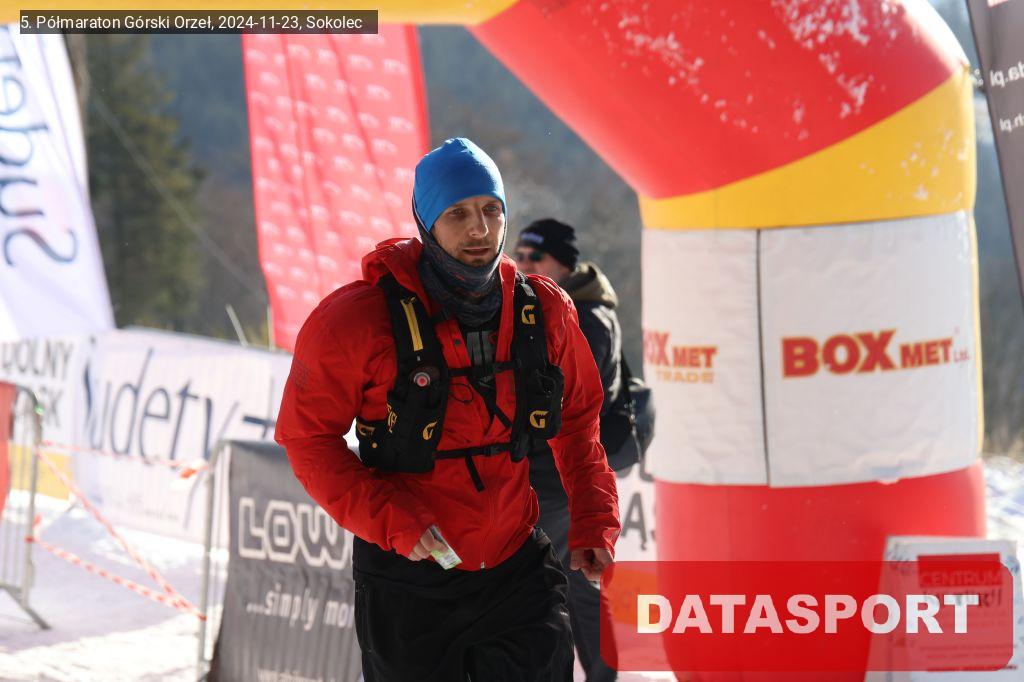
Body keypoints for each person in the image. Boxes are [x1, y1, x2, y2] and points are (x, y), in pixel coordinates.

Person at [275, 138, 620, 682]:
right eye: (457, 214)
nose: (479, 229)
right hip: (409, 576)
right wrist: (394, 522)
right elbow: (307, 439)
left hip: (515, 568)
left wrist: (594, 518)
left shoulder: (544, 310)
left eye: (491, 210)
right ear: (425, 222)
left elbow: (578, 420)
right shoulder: (355, 321)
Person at [514, 219, 629, 682]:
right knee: (578, 587)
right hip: (553, 474)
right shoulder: (561, 308)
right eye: (519, 255)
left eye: (535, 257)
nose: (523, 263)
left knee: (550, 587)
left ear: (563, 263)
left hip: (558, 477)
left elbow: (575, 406)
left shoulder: (586, 318)